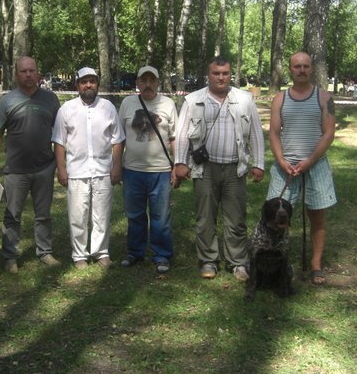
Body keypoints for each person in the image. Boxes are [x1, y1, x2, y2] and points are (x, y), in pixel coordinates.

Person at [175, 55, 265, 281]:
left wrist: (259, 163)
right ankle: (208, 260)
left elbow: (255, 133)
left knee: (236, 218)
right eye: (216, 73)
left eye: (225, 73)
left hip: (235, 169)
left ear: (230, 74)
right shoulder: (193, 100)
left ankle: (238, 262)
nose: (221, 77)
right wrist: (180, 162)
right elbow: (182, 133)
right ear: (209, 75)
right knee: (205, 217)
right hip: (204, 169)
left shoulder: (245, 99)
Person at [0, 56, 61, 274]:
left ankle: (45, 252)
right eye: (24, 71)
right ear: (17, 74)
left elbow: (60, 134)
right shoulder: (7, 101)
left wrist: (60, 165)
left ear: (38, 73)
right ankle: (10, 256)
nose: (28, 74)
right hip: (15, 170)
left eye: (32, 70)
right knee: (12, 215)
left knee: (44, 214)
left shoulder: (51, 99)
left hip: (45, 167)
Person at [267, 51, 336, 286]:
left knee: (317, 218)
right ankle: (276, 260)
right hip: (285, 168)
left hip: (314, 167)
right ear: (290, 69)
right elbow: (274, 133)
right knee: (276, 217)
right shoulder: (280, 99)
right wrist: (281, 160)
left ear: (312, 69)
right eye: (297, 66)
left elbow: (328, 134)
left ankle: (316, 265)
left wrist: (310, 161)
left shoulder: (324, 98)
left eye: (306, 66)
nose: (302, 70)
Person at [52, 67, 125, 269]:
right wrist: (61, 168)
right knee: (78, 216)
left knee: (102, 215)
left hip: (103, 169)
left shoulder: (108, 107)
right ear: (77, 85)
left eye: (92, 81)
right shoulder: (66, 109)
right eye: (84, 81)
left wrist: (116, 166)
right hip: (77, 171)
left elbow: (118, 139)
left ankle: (101, 253)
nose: (88, 85)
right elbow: (59, 141)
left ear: (97, 84)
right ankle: (79, 256)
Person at [118, 66, 178, 274]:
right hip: (132, 170)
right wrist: (117, 165)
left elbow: (174, 138)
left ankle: (162, 255)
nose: (148, 85)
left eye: (152, 80)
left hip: (160, 170)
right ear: (137, 83)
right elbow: (120, 138)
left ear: (158, 83)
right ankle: (135, 252)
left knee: (160, 216)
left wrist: (176, 166)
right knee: (135, 214)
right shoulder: (127, 103)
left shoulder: (168, 104)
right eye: (143, 81)